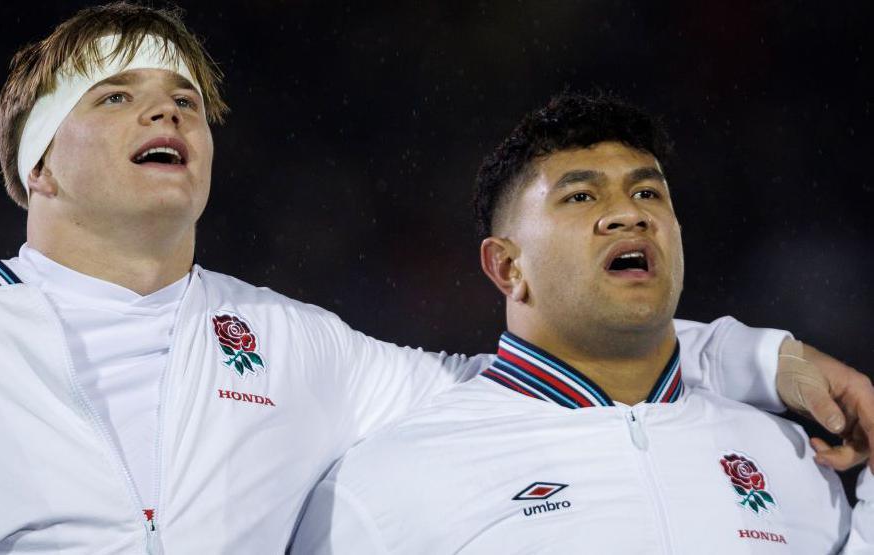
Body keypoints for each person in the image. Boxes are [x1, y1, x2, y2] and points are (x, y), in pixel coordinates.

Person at [0, 4, 870, 554]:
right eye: (118, 96)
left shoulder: (294, 344)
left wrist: (755, 357)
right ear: (37, 165)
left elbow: (532, 374)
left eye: (184, 99)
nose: (169, 115)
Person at [291, 93, 873, 553]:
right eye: (580, 198)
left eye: (648, 191)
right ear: (507, 266)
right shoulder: (391, 483)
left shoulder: (795, 459)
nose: (630, 214)